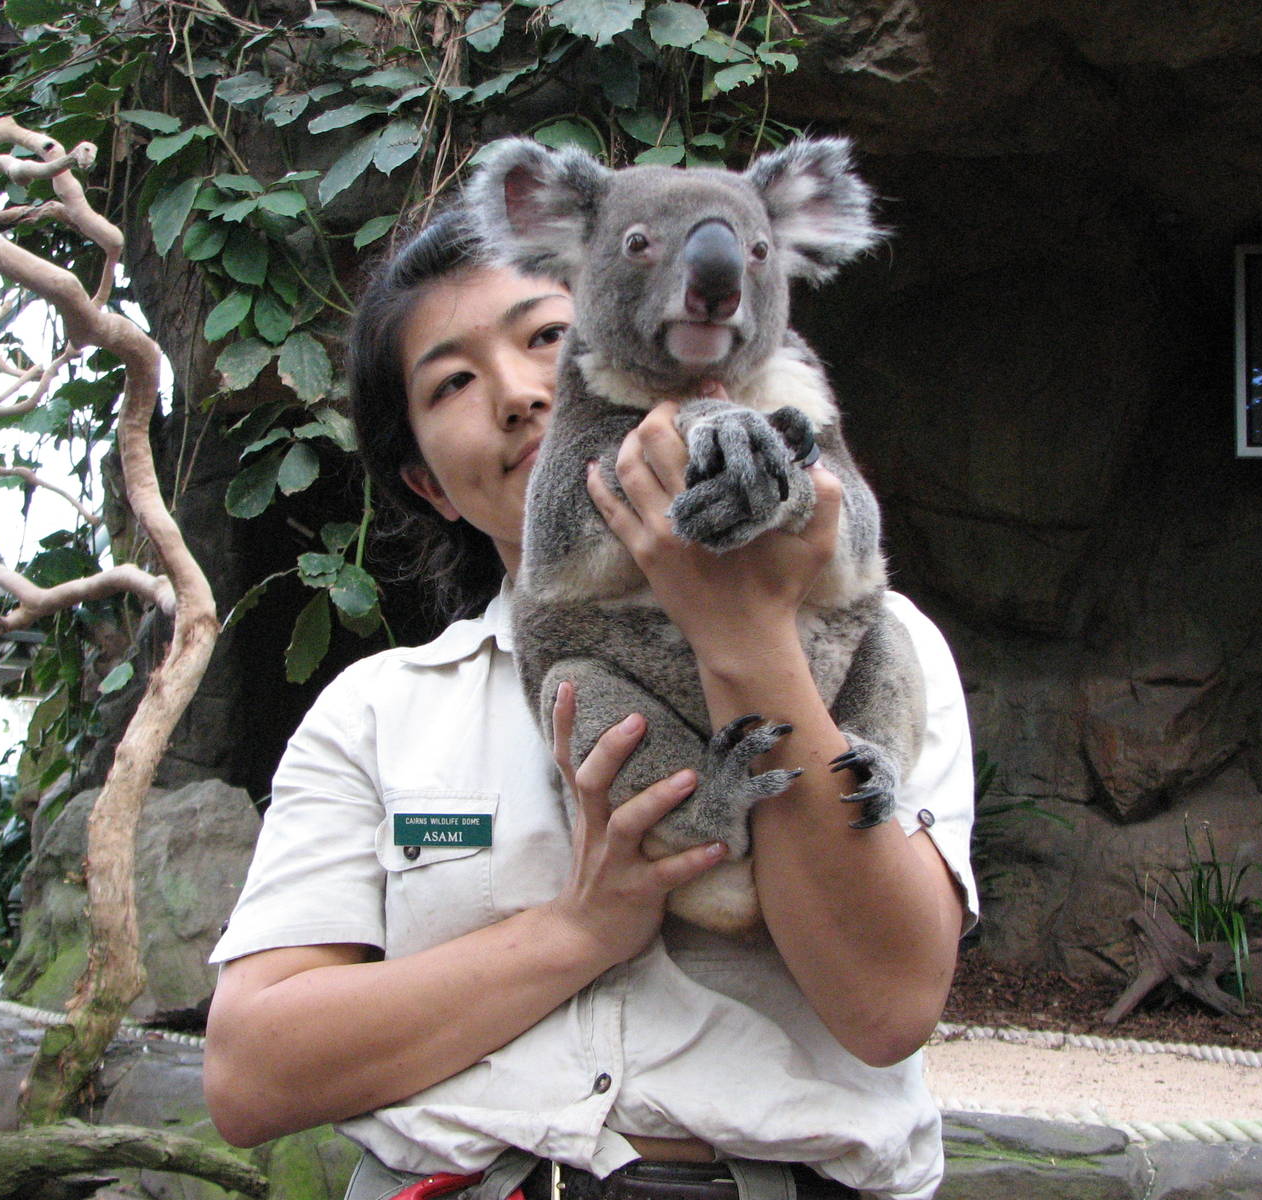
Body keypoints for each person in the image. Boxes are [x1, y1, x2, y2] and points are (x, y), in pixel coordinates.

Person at [202, 210, 979, 1200]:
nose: (521, 395)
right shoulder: (380, 712)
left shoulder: (875, 638)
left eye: (547, 339)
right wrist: (577, 932)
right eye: (452, 382)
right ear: (426, 483)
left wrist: (743, 635)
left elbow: (887, 1004)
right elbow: (250, 1074)